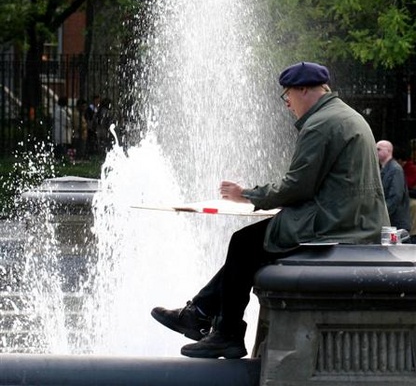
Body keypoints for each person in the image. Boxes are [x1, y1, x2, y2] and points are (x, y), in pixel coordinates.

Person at [151, 61, 390, 360]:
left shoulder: (321, 124)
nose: (287, 102)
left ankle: (226, 333)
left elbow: (297, 186)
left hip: (336, 223)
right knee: (251, 245)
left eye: (287, 94)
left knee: (243, 243)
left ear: (304, 89)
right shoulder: (344, 115)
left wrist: (247, 195)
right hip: (353, 217)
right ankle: (199, 312)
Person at [376, 140, 411, 233]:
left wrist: (382, 215)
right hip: (390, 222)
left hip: (396, 222)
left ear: (388, 151)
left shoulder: (395, 169)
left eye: (379, 149)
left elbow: (396, 196)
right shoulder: (384, 169)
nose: (376, 151)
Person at [53, 95, 72, 159]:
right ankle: (60, 158)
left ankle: (60, 158)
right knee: (61, 147)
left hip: (61, 132)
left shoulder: (60, 110)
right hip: (61, 132)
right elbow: (66, 121)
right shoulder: (61, 111)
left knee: (60, 146)